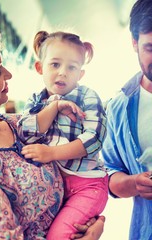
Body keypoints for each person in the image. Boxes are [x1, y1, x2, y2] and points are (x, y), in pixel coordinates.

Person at [0, 24, 105, 240]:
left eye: (72, 67)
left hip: (85, 186)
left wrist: (92, 226)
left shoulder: (14, 123)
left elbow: (95, 139)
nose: (9, 74)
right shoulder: (36, 105)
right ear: (40, 67)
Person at [102, 0, 152, 239]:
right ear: (135, 43)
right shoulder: (119, 108)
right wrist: (135, 183)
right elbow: (110, 175)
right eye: (151, 48)